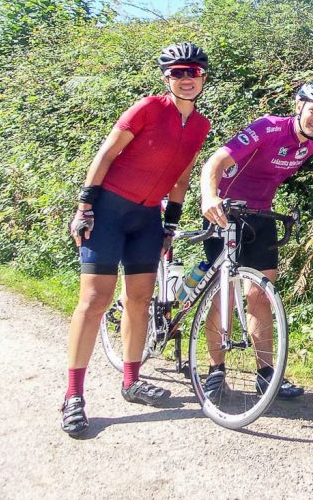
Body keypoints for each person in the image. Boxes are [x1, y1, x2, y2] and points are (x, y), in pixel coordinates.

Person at [62, 43, 211, 437]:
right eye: (177, 72)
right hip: (108, 211)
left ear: (203, 78)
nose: (185, 79)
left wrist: (170, 224)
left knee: (140, 301)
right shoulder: (148, 107)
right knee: (94, 301)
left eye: (192, 72)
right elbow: (106, 155)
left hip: (148, 218)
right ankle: (73, 395)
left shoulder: (200, 125)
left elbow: (182, 177)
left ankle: (131, 381)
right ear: (166, 77)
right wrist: (85, 205)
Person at [199, 80, 313, 401]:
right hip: (225, 212)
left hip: (262, 218)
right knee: (224, 297)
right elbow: (216, 161)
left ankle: (266, 375)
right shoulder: (268, 128)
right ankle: (215, 371)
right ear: (298, 106)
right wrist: (209, 196)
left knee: (260, 297)